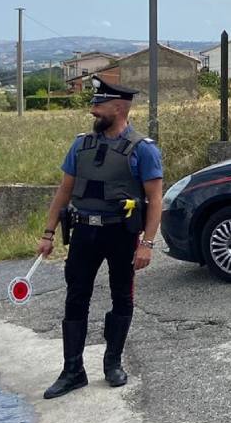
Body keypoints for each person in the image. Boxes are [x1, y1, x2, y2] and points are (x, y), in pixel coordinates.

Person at [36, 76, 164, 398]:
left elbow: (155, 200)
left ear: (118, 108)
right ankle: (73, 371)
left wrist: (147, 244)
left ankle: (113, 363)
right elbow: (64, 191)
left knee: (122, 296)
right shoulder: (80, 145)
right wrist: (48, 234)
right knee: (75, 297)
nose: (93, 111)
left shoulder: (143, 150)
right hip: (84, 232)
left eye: (99, 105)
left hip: (121, 233)